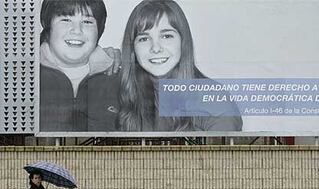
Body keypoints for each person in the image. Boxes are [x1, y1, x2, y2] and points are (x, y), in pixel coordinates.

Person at [118, 0, 243, 131]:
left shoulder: (215, 101)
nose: (155, 48)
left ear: (183, 42)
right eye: (144, 38)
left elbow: (224, 151)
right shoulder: (125, 92)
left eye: (166, 36)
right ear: (132, 49)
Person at [39, 0, 120, 132]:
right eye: (65, 19)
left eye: (87, 22)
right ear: (48, 26)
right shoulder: (24, 75)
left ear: (100, 30)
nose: (77, 30)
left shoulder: (121, 80)